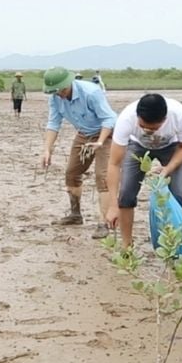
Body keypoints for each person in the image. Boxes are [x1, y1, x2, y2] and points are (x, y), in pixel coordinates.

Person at [105, 93, 182, 249]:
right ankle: (127, 245)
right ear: (137, 116)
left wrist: (168, 169)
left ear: (164, 120)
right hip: (138, 146)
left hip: (172, 147)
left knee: (179, 194)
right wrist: (112, 205)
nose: (147, 130)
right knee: (126, 194)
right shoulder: (126, 119)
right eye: (142, 126)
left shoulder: (180, 115)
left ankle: (181, 245)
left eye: (153, 128)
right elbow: (114, 163)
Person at [41, 67, 117, 238]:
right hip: (84, 133)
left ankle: (104, 223)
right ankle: (75, 215)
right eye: (56, 91)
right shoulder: (55, 97)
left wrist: (100, 141)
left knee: (103, 177)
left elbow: (109, 119)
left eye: (62, 90)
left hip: (107, 134)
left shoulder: (91, 92)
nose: (59, 94)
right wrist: (47, 150)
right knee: (72, 173)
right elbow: (53, 123)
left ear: (69, 83)